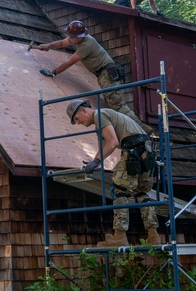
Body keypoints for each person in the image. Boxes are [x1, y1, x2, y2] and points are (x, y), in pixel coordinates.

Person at [66, 99, 160, 247]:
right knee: (141, 193)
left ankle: (120, 237)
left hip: (133, 152)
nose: (78, 123)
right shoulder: (105, 116)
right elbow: (106, 143)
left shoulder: (99, 115)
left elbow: (113, 142)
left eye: (76, 118)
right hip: (147, 153)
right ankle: (153, 236)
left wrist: (96, 162)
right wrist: (95, 159)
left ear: (84, 110)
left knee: (118, 190)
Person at [35, 20, 141, 123]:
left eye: (72, 37)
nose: (70, 39)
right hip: (104, 74)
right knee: (113, 104)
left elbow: (69, 62)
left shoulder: (86, 44)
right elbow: (62, 43)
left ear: (80, 36)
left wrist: (54, 72)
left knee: (118, 105)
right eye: (69, 36)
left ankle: (143, 131)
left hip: (108, 74)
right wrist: (48, 45)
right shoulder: (76, 39)